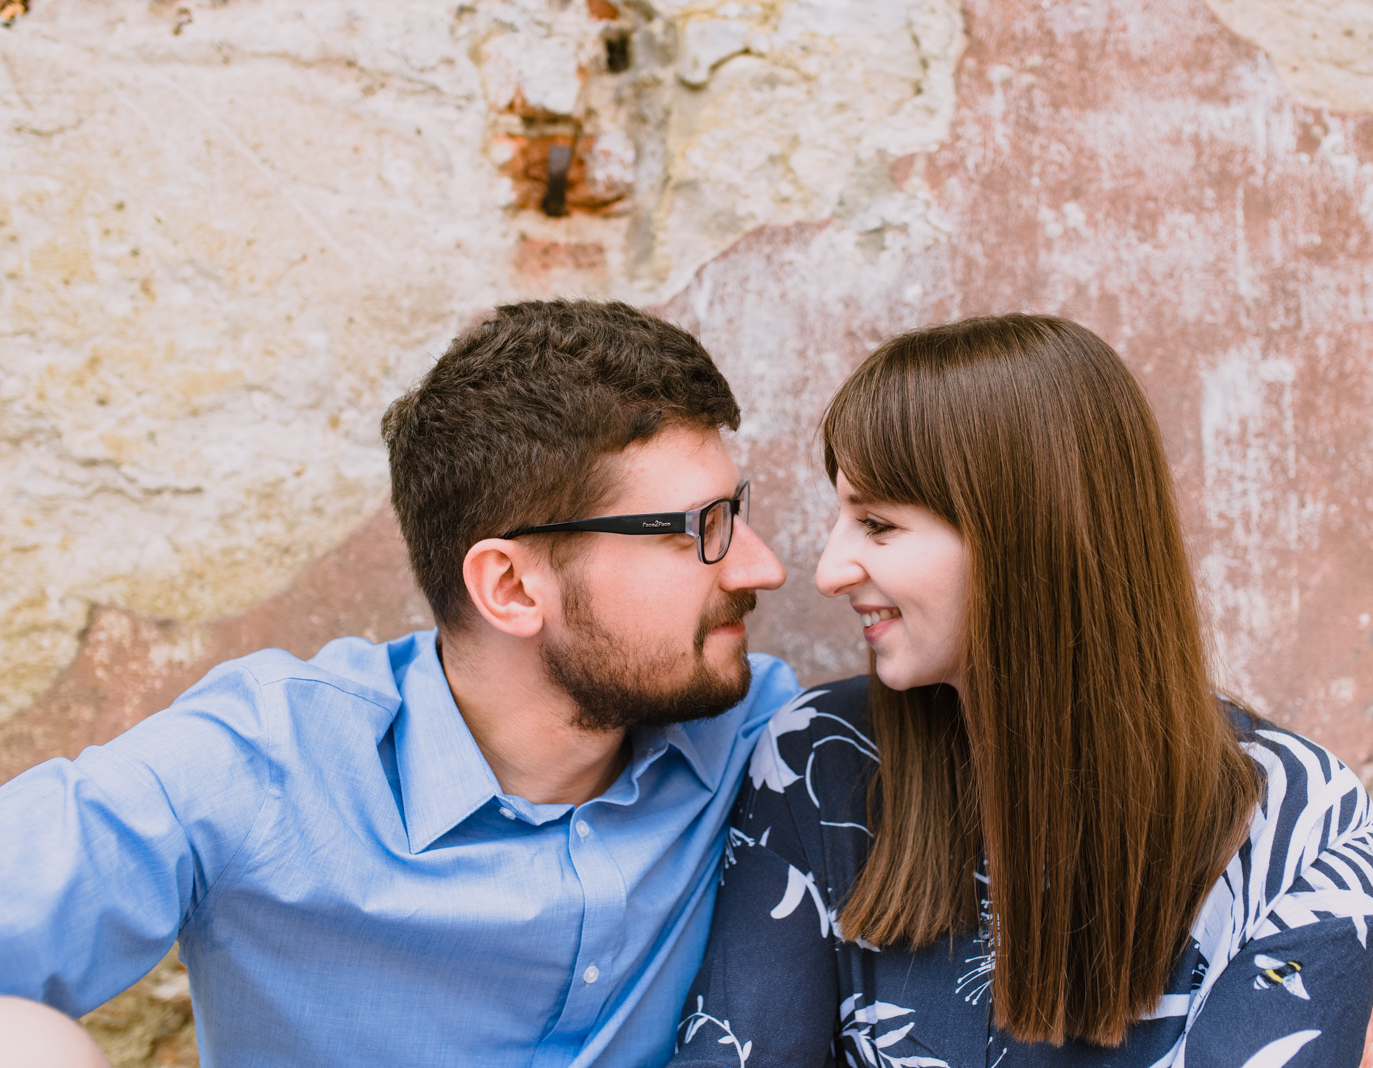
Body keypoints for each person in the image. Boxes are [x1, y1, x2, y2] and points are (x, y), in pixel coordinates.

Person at [0, 300, 798, 1067]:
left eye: (738, 511)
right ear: (512, 589)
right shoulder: (262, 764)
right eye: (703, 530)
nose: (764, 566)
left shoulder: (762, 739)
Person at [670, 314, 1373, 1068]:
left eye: (879, 525)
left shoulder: (1299, 825)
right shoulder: (817, 762)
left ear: (1025, 534)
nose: (828, 571)